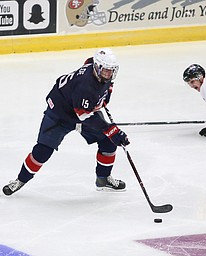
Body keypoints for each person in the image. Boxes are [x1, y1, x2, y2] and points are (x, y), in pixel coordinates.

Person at [3, 48, 130, 196]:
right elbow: (85, 116)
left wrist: (104, 97)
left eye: (111, 70)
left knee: (108, 142)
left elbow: (88, 61)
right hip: (60, 115)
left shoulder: (95, 68)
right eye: (105, 71)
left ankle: (103, 179)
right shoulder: (85, 86)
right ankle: (20, 180)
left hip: (81, 107)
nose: (109, 74)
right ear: (97, 67)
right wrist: (111, 130)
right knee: (43, 151)